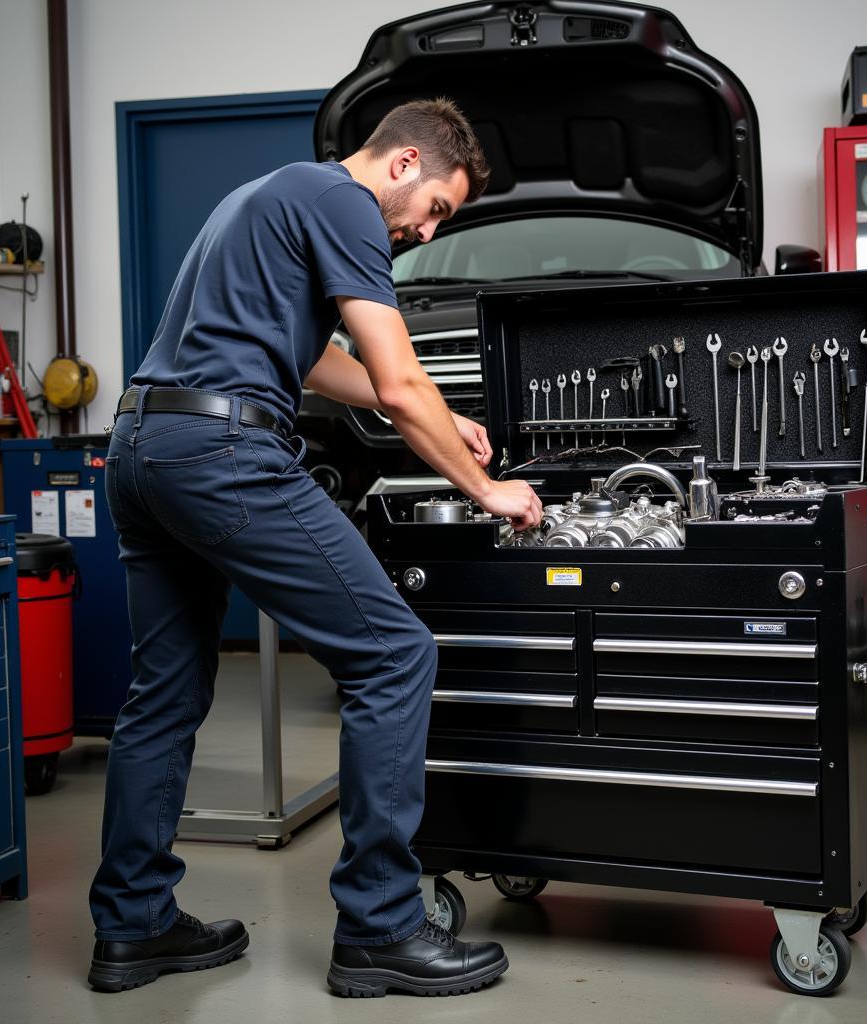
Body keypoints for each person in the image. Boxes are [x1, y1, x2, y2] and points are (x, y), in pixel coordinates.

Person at [87, 97, 542, 998]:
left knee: (164, 692)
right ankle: (380, 927)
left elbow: (317, 365)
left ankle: (132, 926)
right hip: (223, 454)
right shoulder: (344, 203)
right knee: (394, 654)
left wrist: (437, 416)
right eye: (438, 209)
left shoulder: (261, 196)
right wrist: (485, 486)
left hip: (142, 447)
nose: (425, 231)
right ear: (405, 163)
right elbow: (400, 377)